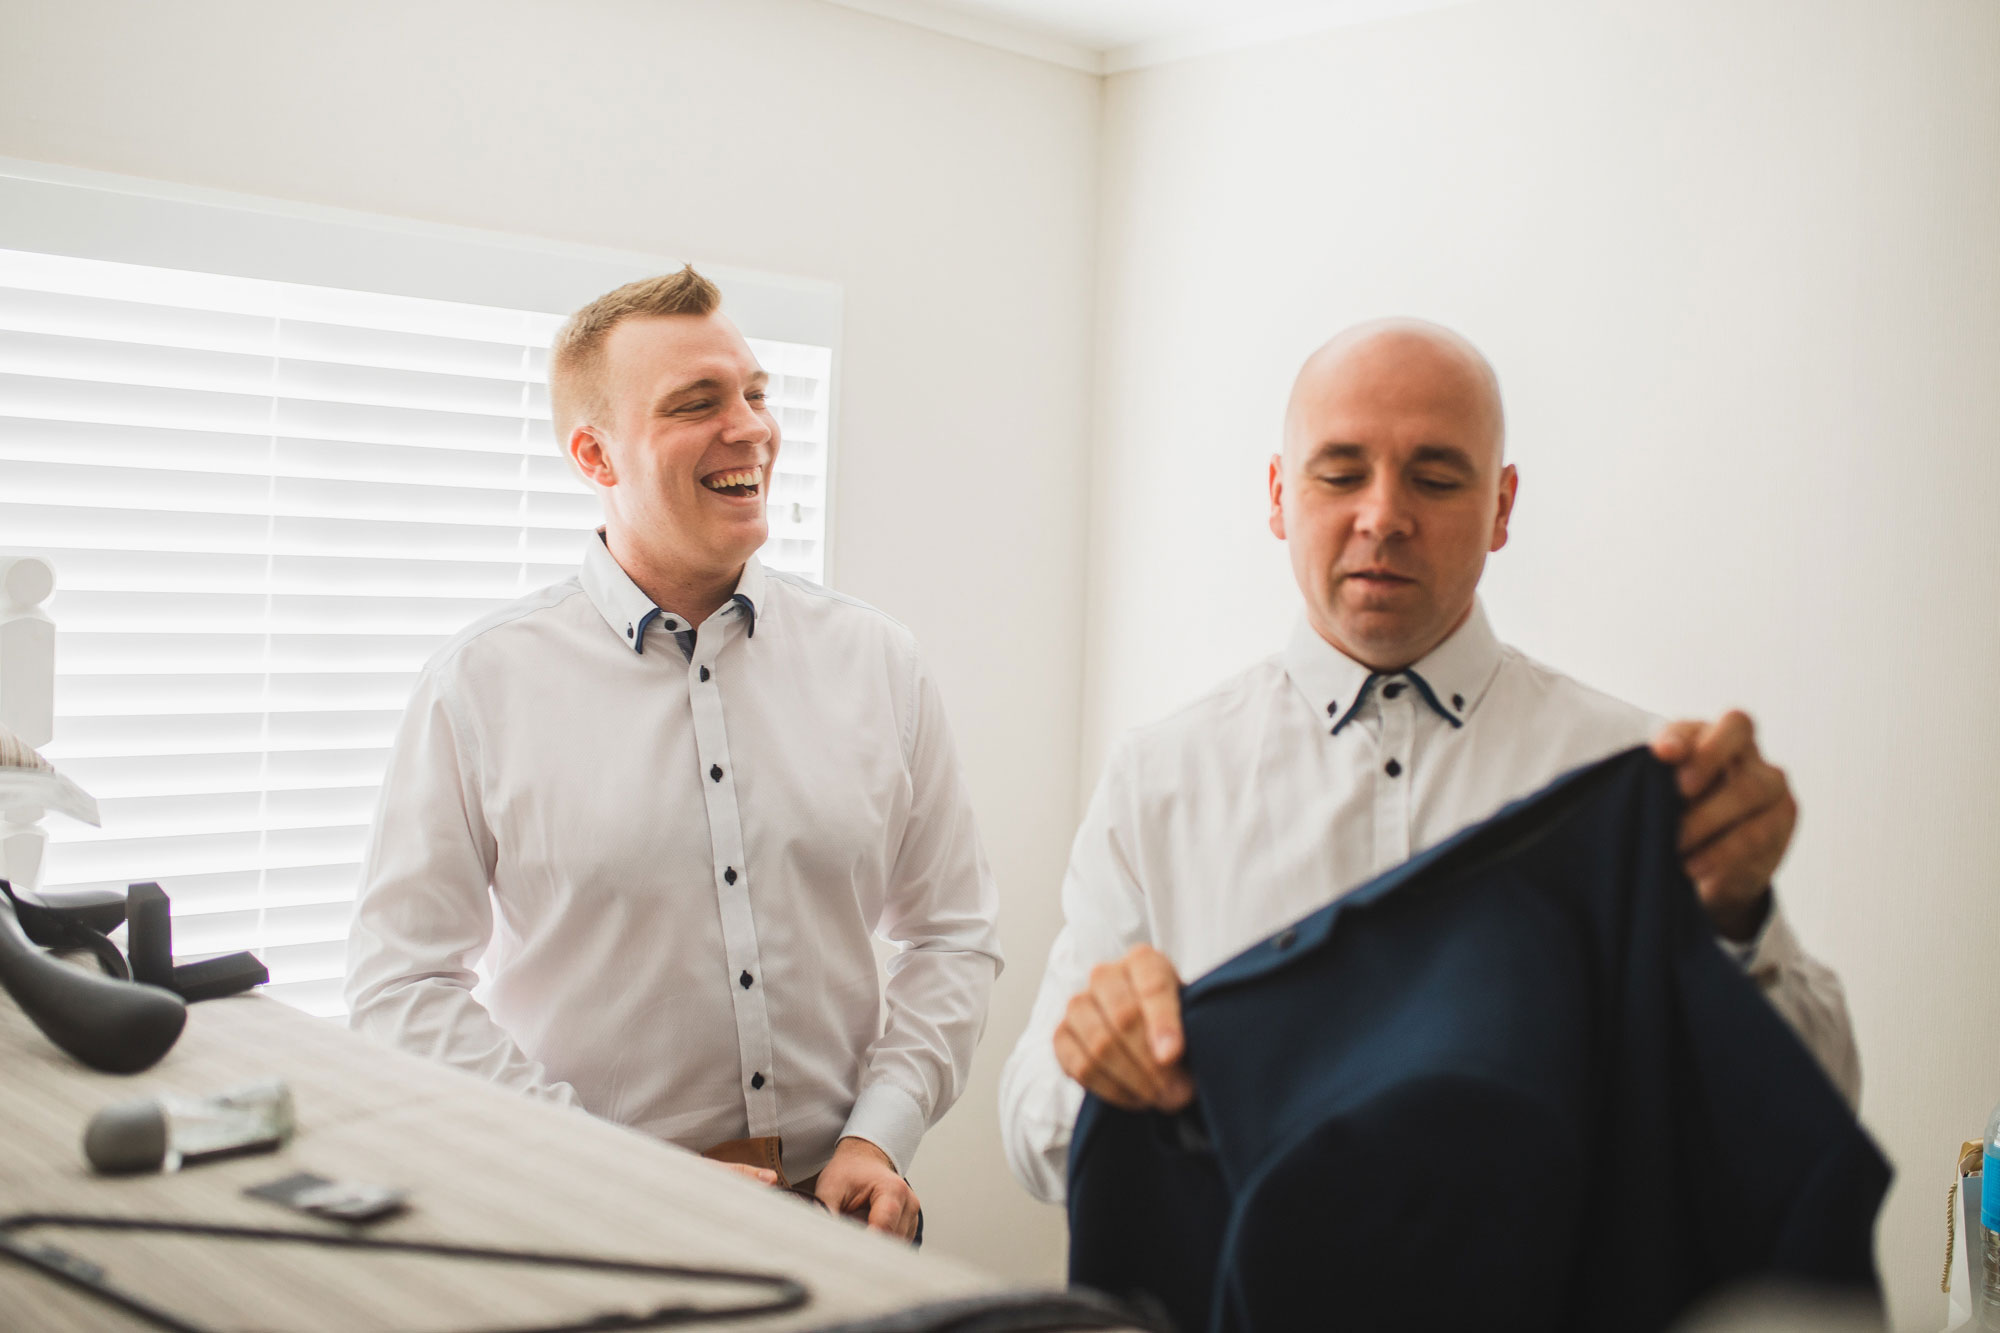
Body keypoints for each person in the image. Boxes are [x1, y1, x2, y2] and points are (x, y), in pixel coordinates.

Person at [997, 318, 1858, 1204]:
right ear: (1278, 496)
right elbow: (1032, 1130)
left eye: (1436, 477)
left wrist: (1735, 923)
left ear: (1502, 507)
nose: (1384, 517)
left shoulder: (1634, 777)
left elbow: (1817, 1101)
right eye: (1339, 474)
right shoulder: (1158, 782)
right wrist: (1102, 1073)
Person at [346, 267, 1002, 1237]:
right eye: (697, 404)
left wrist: (880, 1133)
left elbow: (951, 933)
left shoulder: (878, 663)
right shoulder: (478, 685)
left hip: (845, 1220)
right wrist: (611, 1169)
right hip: (588, 1224)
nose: (749, 428)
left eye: (753, 394)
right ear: (592, 453)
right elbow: (399, 984)